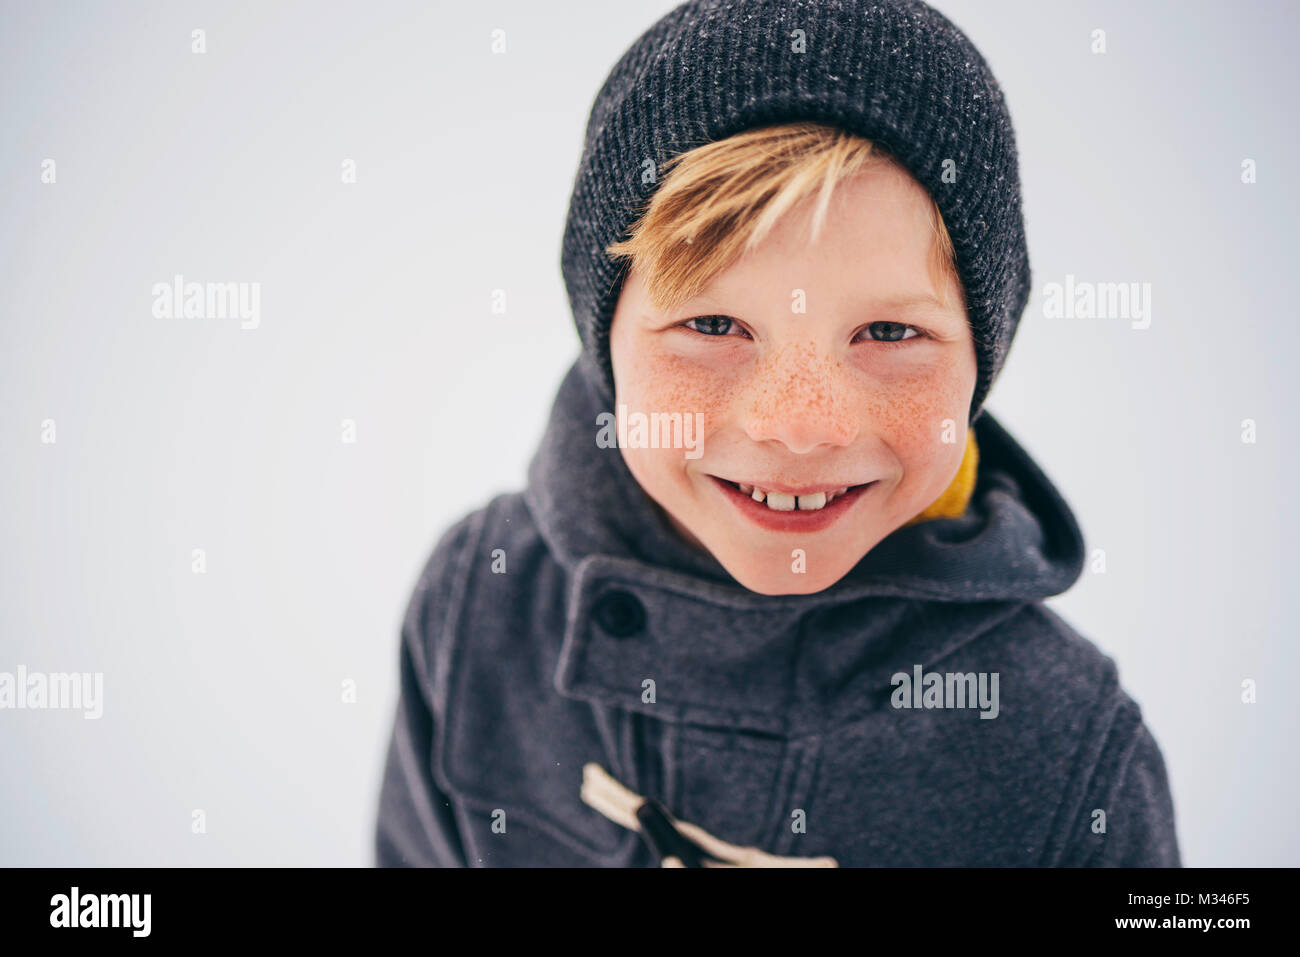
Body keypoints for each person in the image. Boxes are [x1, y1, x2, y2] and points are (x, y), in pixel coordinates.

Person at [374, 0, 1180, 867]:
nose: (799, 426)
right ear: (603, 340)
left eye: (890, 334)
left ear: (980, 365)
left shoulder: (1064, 748)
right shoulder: (479, 607)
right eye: (715, 326)